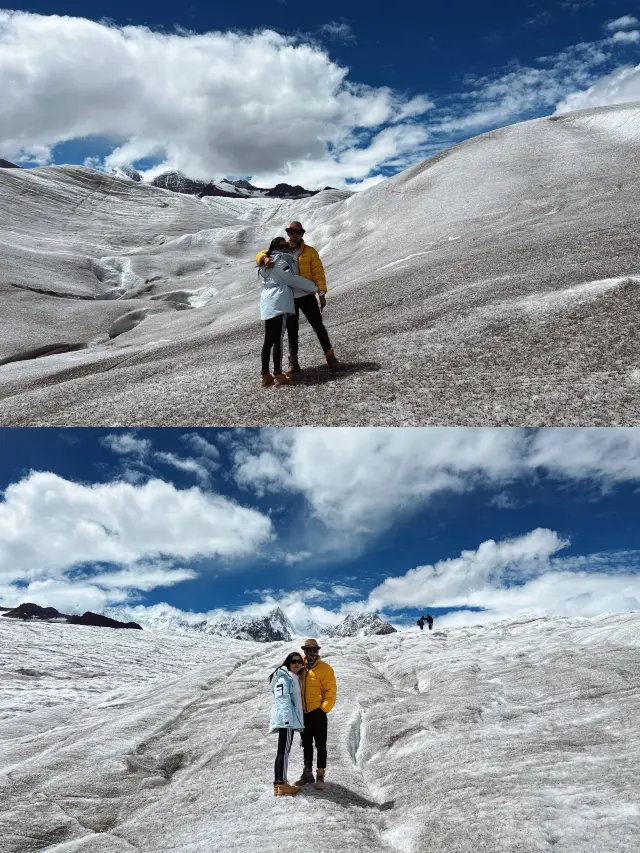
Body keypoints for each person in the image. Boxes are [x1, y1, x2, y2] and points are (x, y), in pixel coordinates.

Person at [256, 221, 340, 373]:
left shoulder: (310, 252)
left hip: (307, 295)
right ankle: (293, 362)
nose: (294, 235)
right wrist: (263, 259)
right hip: (289, 298)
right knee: (292, 330)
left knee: (318, 326)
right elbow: (263, 252)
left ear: (302, 234)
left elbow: (318, 272)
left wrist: (321, 292)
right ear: (288, 233)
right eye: (291, 232)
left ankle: (330, 356)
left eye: (297, 232)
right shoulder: (281, 247)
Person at [258, 237, 319, 387]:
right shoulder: (281, 261)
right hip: (279, 301)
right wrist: (314, 287)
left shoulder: (265, 263)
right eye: (283, 246)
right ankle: (278, 374)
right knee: (278, 339)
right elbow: (292, 280)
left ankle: (265, 375)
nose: (286, 247)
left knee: (268, 340)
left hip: (267, 302)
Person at [295, 638, 337, 791]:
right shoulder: (299, 668)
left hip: (318, 714)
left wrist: (323, 709)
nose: (311, 653)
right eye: (308, 650)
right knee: (306, 744)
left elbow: (330, 692)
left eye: (314, 650)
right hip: (303, 714)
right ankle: (307, 773)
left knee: (320, 745)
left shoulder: (325, 669)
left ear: (318, 651)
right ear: (304, 651)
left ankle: (320, 774)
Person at [268, 651, 305, 797]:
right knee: (284, 752)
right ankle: (282, 784)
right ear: (288, 663)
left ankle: (278, 784)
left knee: (281, 752)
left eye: (299, 661)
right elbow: (283, 700)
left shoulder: (291, 677)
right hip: (286, 720)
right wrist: (288, 721)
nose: (297, 664)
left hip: (286, 719)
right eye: (294, 661)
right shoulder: (285, 678)